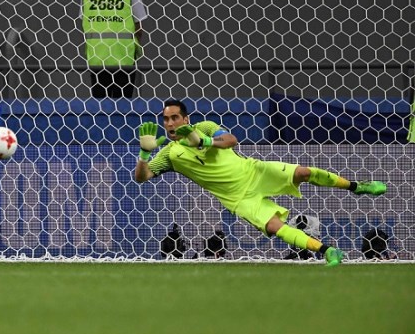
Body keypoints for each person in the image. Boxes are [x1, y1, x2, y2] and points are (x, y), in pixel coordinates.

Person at [134, 99, 388, 267]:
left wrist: (204, 142)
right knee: (276, 226)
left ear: (186, 119)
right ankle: (328, 252)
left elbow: (231, 140)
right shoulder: (169, 154)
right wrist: (144, 154)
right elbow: (142, 177)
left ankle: (357, 187)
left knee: (302, 172)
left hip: (254, 171)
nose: (169, 123)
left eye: (174, 117)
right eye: (166, 119)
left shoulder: (206, 127)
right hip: (238, 199)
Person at [81, 0, 148, 98]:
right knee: (123, 106)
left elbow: (84, 21)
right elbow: (139, 27)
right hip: (124, 58)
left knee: (100, 106)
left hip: (97, 58)